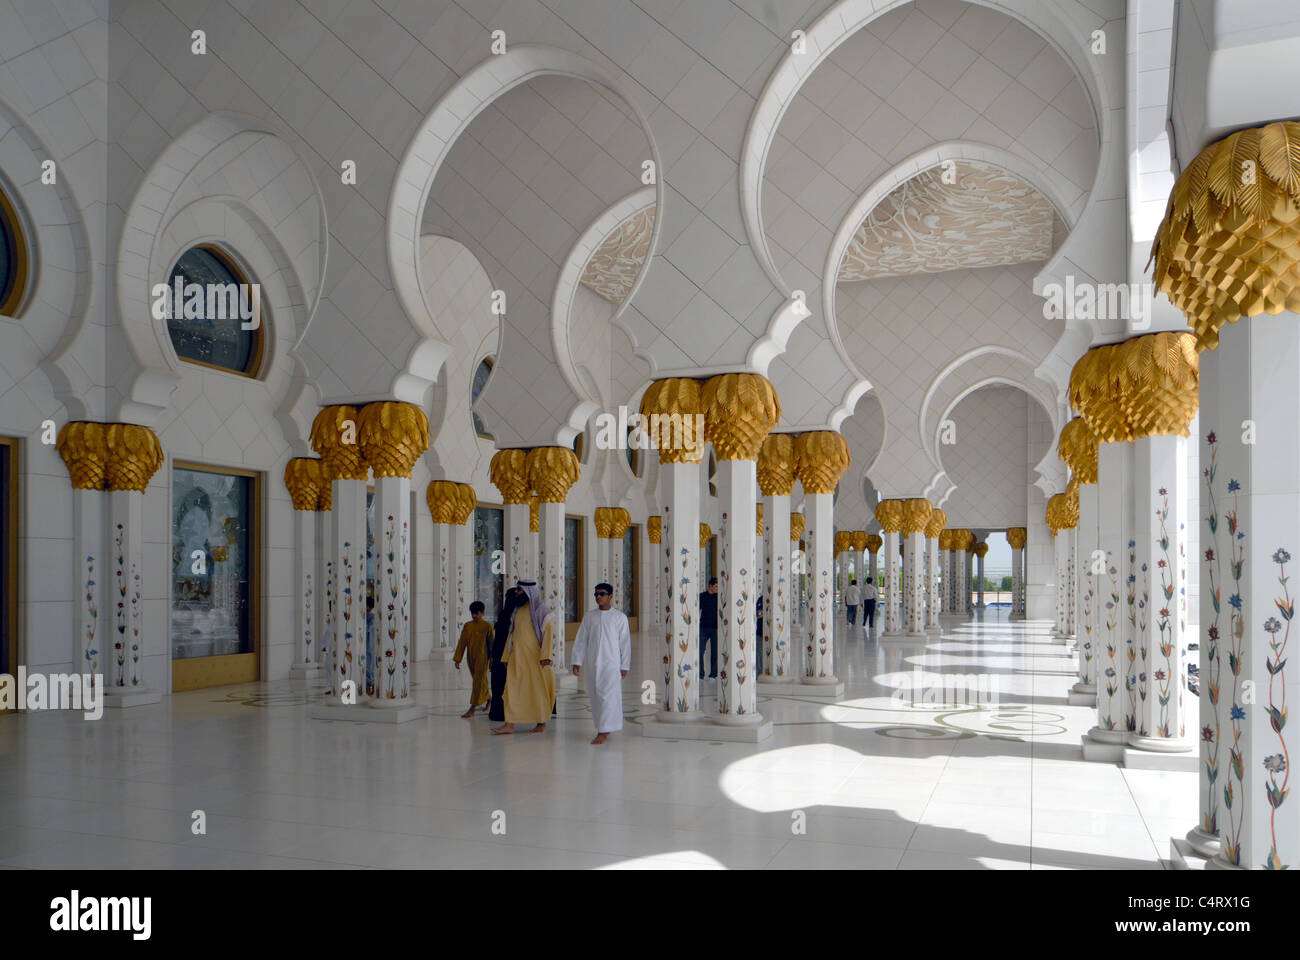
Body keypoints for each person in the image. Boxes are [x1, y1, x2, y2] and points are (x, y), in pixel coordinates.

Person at [491, 580, 556, 735]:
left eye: (520, 591)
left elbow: (548, 633)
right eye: (517, 591)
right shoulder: (517, 610)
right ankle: (509, 724)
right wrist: (506, 656)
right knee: (510, 690)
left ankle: (541, 723)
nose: (517, 593)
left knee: (537, 691)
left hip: (535, 660)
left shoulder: (542, 610)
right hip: (517, 658)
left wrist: (546, 655)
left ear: (529, 591)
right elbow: (511, 635)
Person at [571, 582, 631, 745]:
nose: (598, 597)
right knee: (596, 696)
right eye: (596, 594)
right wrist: (577, 661)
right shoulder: (590, 617)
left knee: (608, 696)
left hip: (612, 664)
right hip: (593, 663)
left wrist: (625, 665)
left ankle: (603, 732)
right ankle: (603, 726)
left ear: (610, 596)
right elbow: (581, 640)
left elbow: (625, 643)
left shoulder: (620, 618)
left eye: (602, 594)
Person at [487, 586, 523, 723]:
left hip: (500, 657)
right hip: (506, 658)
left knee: (499, 685)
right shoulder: (514, 617)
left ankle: (499, 712)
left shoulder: (504, 615)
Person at [453, 600, 492, 717]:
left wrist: (492, 660)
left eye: (477, 613)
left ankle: (472, 708)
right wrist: (458, 658)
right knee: (480, 681)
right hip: (471, 658)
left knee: (477, 682)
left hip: (483, 658)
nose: (474, 615)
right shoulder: (468, 626)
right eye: (473, 613)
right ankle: (489, 698)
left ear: (482, 613)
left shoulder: (487, 626)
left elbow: (491, 644)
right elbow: (462, 642)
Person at [699, 577, 719, 679]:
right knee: (700, 650)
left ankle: (713, 674)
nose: (717, 588)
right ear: (710, 586)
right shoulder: (702, 596)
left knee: (715, 652)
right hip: (703, 627)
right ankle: (700, 674)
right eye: (715, 586)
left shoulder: (718, 598)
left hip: (715, 628)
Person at [365, 595, 376, 696]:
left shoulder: (371, 617)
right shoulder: (368, 616)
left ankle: (370, 685)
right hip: (367, 645)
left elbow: (368, 628)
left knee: (370, 665)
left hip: (370, 646)